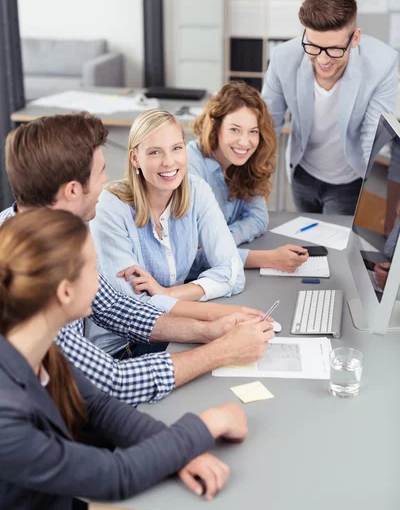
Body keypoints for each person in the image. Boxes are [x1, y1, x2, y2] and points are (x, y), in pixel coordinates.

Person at [0, 113, 275, 406]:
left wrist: (207, 331)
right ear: (72, 190)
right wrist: (222, 351)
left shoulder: (61, 234)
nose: (106, 181)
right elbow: (114, 382)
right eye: (100, 172)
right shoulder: (28, 270)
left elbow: (115, 307)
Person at [0, 208, 250, 508]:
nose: (100, 279)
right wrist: (209, 424)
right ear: (65, 292)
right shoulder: (5, 415)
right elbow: (114, 476)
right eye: (94, 270)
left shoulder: (40, 348)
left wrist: (179, 449)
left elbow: (101, 407)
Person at [88, 109, 249, 356]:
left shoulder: (196, 190)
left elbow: (233, 273)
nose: (169, 162)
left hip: (173, 331)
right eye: (155, 152)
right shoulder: (110, 206)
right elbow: (132, 306)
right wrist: (215, 314)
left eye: (176, 148)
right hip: (123, 349)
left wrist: (169, 293)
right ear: (134, 158)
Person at [262, 0, 399, 215]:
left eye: (334, 49)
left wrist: (385, 203)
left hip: (349, 180)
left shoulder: (382, 65)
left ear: (355, 38)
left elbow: (372, 140)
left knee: (335, 248)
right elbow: (268, 124)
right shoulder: (282, 58)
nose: (323, 59)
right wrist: (253, 186)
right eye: (313, 47)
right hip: (302, 173)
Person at [187, 81, 309, 272]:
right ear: (216, 128)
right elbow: (190, 259)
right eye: (234, 129)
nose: (245, 142)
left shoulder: (246, 161)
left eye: (253, 132)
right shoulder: (191, 168)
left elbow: (259, 218)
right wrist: (267, 258)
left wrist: (220, 239)